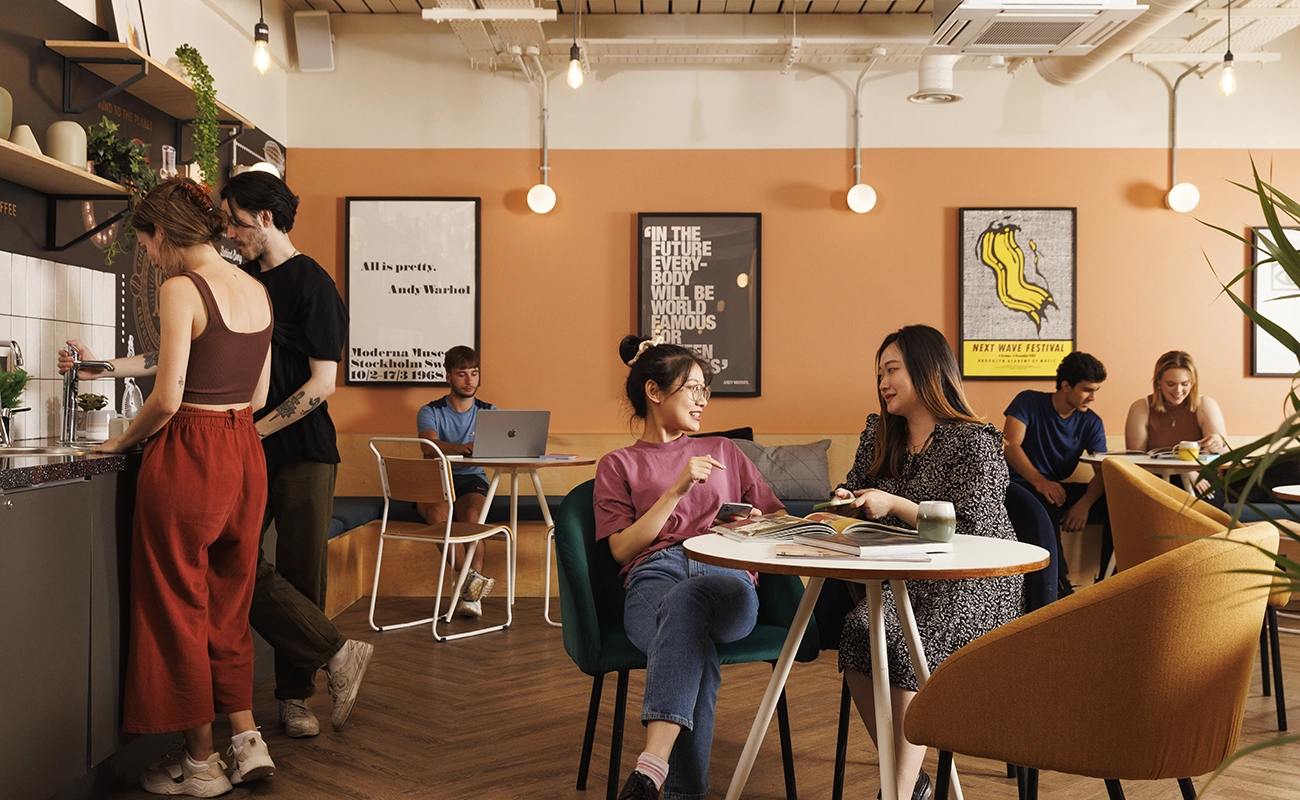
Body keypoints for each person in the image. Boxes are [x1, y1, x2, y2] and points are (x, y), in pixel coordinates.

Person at [63, 178, 276, 795]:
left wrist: (117, 443)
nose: (149, 256)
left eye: (147, 242)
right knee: (229, 604)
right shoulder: (257, 290)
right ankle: (247, 739)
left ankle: (201, 764)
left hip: (192, 453)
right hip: (244, 453)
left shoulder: (182, 287)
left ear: (167, 233)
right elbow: (258, 395)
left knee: (175, 606)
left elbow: (168, 397)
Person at [831, 325, 1022, 800]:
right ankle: (911, 781)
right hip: (906, 580)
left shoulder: (974, 439)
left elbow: (973, 525)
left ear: (928, 370)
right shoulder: (880, 433)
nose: (883, 383)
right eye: (879, 373)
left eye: (892, 370)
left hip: (973, 586)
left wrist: (892, 503)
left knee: (894, 636)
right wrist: (846, 500)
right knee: (858, 631)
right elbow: (858, 489)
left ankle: (893, 792)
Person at [593, 334, 782, 800]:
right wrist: (676, 489)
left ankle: (651, 767)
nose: (702, 400)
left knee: (689, 605)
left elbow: (778, 521)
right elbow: (620, 550)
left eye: (705, 390)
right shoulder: (618, 464)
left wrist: (753, 526)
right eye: (692, 388)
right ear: (655, 392)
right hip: (653, 577)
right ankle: (681, 791)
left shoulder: (726, 451)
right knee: (692, 637)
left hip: (727, 575)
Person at [220, 171, 373, 740]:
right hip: (251, 446)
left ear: (264, 218)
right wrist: (103, 366)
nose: (230, 234)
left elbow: (322, 385)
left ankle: (293, 698)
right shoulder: (240, 281)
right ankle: (337, 652)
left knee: (301, 572)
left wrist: (256, 431)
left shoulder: (314, 283)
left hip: (304, 451)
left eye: (236, 221)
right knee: (231, 559)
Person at [1003, 351, 1110, 596]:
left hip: (1054, 488)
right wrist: (1041, 482)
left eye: (1096, 390)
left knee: (1117, 503)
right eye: (1087, 390)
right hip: (1018, 486)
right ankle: (1059, 586)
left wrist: (1084, 504)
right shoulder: (1027, 401)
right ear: (1065, 386)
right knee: (1045, 501)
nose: (1092, 397)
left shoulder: (1091, 422)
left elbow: (1103, 471)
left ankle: (1110, 579)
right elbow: (1010, 446)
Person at [415, 345, 499, 618]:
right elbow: (428, 446)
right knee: (441, 516)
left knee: (474, 516)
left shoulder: (490, 411)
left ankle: (468, 590)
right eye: (462, 374)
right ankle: (472, 585)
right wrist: (463, 448)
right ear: (449, 377)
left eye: (474, 373)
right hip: (435, 479)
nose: (469, 380)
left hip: (472, 478)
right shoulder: (431, 410)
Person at [1125, 350, 1228, 496]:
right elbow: (1136, 460)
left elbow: (1224, 452)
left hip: (1201, 478)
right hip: (1155, 479)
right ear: (1158, 381)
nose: (1178, 390)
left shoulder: (1205, 404)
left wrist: (1217, 443)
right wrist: (1185, 470)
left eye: (1185, 384)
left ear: (1193, 383)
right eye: (1171, 384)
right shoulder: (1141, 408)